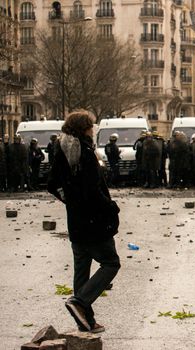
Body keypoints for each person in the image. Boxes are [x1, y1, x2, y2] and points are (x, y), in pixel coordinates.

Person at [47, 111, 120, 333]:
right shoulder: (86, 153)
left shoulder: (61, 150)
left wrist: (69, 200)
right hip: (94, 221)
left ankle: (84, 321)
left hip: (76, 220)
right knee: (111, 263)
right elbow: (92, 189)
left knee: (82, 269)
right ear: (84, 129)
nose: (93, 130)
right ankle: (79, 302)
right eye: (91, 126)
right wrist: (110, 206)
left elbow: (52, 184)